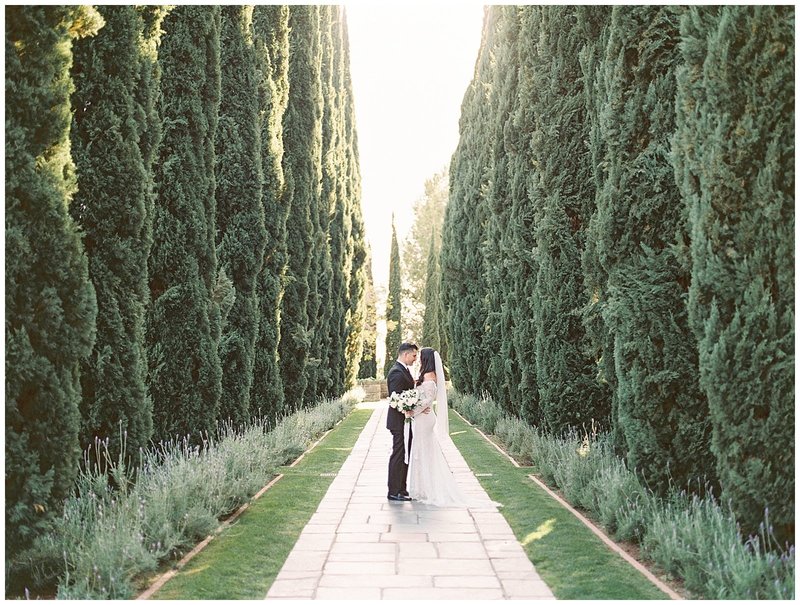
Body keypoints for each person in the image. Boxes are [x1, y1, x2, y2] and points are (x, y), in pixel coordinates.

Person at [404, 347, 469, 507]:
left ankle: (426, 489)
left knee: (423, 451)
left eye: (420, 356)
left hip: (424, 418)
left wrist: (411, 411)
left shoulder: (429, 376)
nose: (418, 358)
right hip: (423, 417)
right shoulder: (427, 375)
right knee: (422, 451)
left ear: (426, 359)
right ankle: (421, 488)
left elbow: (427, 401)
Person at [385, 342, 424, 501]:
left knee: (405, 454)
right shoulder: (396, 372)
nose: (415, 359)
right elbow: (395, 399)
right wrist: (407, 408)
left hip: (406, 421)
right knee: (399, 454)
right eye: (414, 355)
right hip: (398, 421)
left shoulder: (404, 370)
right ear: (406, 354)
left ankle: (402, 488)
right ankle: (393, 491)